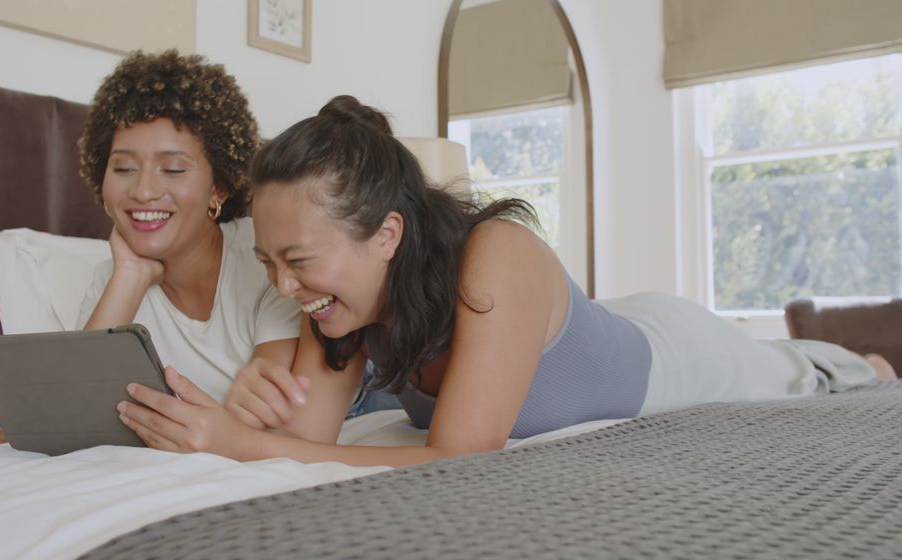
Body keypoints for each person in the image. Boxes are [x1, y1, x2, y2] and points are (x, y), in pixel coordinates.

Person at [113, 95, 897, 467]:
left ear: (386, 234)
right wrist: (240, 407)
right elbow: (306, 443)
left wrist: (239, 438)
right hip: (583, 338)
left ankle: (857, 363)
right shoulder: (337, 310)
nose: (284, 287)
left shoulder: (497, 254)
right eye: (269, 264)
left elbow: (457, 456)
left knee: (804, 372)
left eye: (300, 261)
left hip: (676, 352)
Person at [0, 51, 348, 445]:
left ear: (218, 186)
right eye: (124, 168)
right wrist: (131, 276)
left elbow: (264, 410)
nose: (144, 190)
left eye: (173, 169)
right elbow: (71, 410)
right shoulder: (110, 281)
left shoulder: (263, 258)